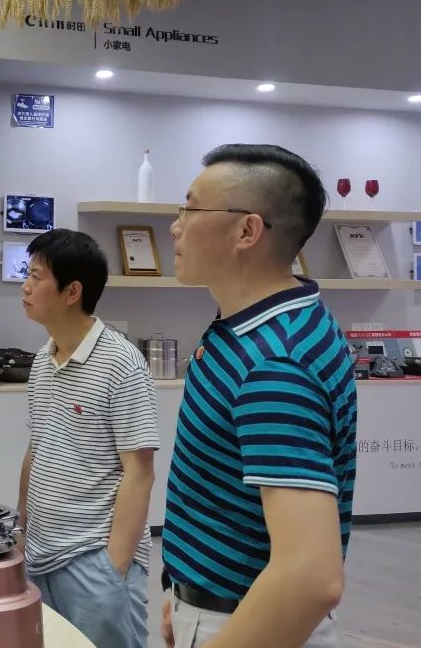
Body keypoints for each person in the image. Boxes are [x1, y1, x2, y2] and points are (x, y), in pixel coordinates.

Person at [161, 144, 357, 648]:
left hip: (249, 625)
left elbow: (310, 576)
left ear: (247, 231)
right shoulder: (258, 324)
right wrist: (183, 589)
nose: (176, 227)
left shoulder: (274, 364)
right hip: (219, 607)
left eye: (190, 209)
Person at [16, 229, 159, 648]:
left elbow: (140, 472)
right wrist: (22, 530)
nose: (25, 286)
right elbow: (37, 450)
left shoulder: (121, 363)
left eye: (37, 277)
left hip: (92, 562)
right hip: (39, 555)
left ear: (72, 292)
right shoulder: (43, 360)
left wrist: (114, 567)